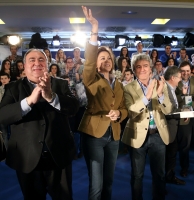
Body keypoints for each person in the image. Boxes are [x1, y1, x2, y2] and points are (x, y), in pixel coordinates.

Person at [0, 48, 79, 200]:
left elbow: (74, 107)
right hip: (27, 158)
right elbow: (2, 116)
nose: (37, 63)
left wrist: (51, 97)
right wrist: (28, 101)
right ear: (24, 65)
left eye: (41, 60)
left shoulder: (61, 84)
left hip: (58, 156)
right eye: (32, 60)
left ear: (47, 64)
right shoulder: (13, 88)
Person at [78, 6, 128, 200]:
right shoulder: (91, 78)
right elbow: (89, 62)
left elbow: (124, 108)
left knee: (109, 182)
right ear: (96, 62)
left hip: (114, 135)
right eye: (102, 57)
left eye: (108, 57)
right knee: (96, 185)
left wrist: (120, 115)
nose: (106, 60)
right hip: (94, 135)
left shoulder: (119, 83)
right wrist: (94, 29)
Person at [122, 53, 173, 200]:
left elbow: (168, 110)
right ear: (134, 70)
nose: (142, 69)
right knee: (137, 176)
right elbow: (131, 112)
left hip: (158, 135)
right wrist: (147, 97)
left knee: (160, 175)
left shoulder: (160, 84)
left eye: (145, 66)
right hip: (138, 136)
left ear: (151, 68)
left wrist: (161, 95)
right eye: (138, 67)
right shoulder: (128, 88)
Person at [164, 66, 185, 185]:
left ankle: (170, 176)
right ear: (172, 77)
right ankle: (162, 184)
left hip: (173, 127)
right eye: (179, 77)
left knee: (171, 155)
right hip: (166, 128)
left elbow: (175, 106)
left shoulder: (172, 89)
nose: (180, 80)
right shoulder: (164, 89)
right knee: (166, 157)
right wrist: (182, 114)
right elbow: (167, 111)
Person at [175, 61, 194, 178]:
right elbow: (175, 101)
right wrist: (184, 96)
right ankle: (184, 168)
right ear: (179, 72)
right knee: (185, 145)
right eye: (183, 71)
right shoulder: (175, 83)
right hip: (184, 117)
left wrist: (189, 100)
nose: (185, 73)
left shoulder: (193, 81)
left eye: (187, 70)